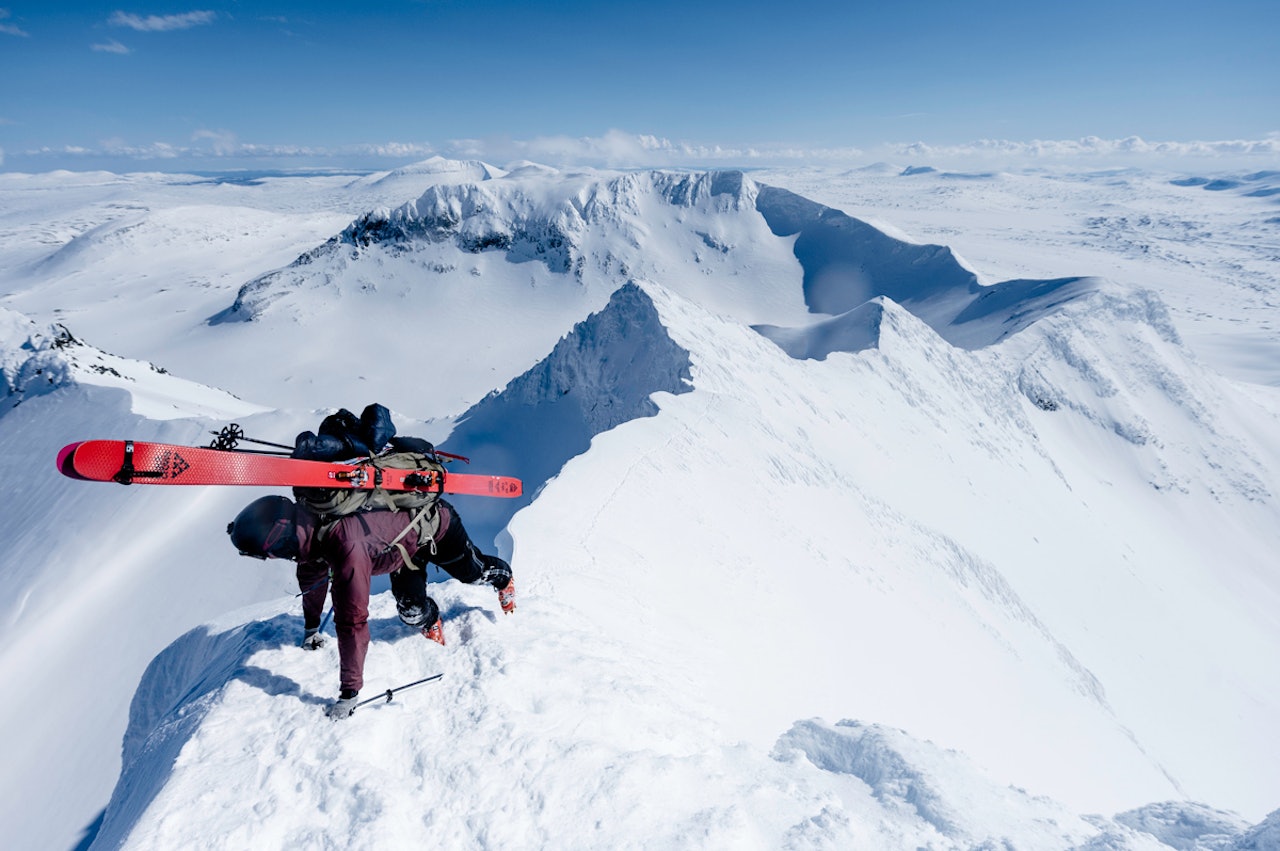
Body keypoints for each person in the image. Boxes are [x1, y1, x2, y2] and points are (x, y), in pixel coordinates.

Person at [228, 492, 514, 720]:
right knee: (411, 611)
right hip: (400, 546)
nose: (275, 558)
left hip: (434, 526)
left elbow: (351, 621)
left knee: (473, 573)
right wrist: (311, 629)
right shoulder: (310, 530)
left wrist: (349, 693)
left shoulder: (344, 545)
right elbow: (311, 578)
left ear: (282, 542)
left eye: (271, 554)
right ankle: (430, 619)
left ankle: (503, 578)